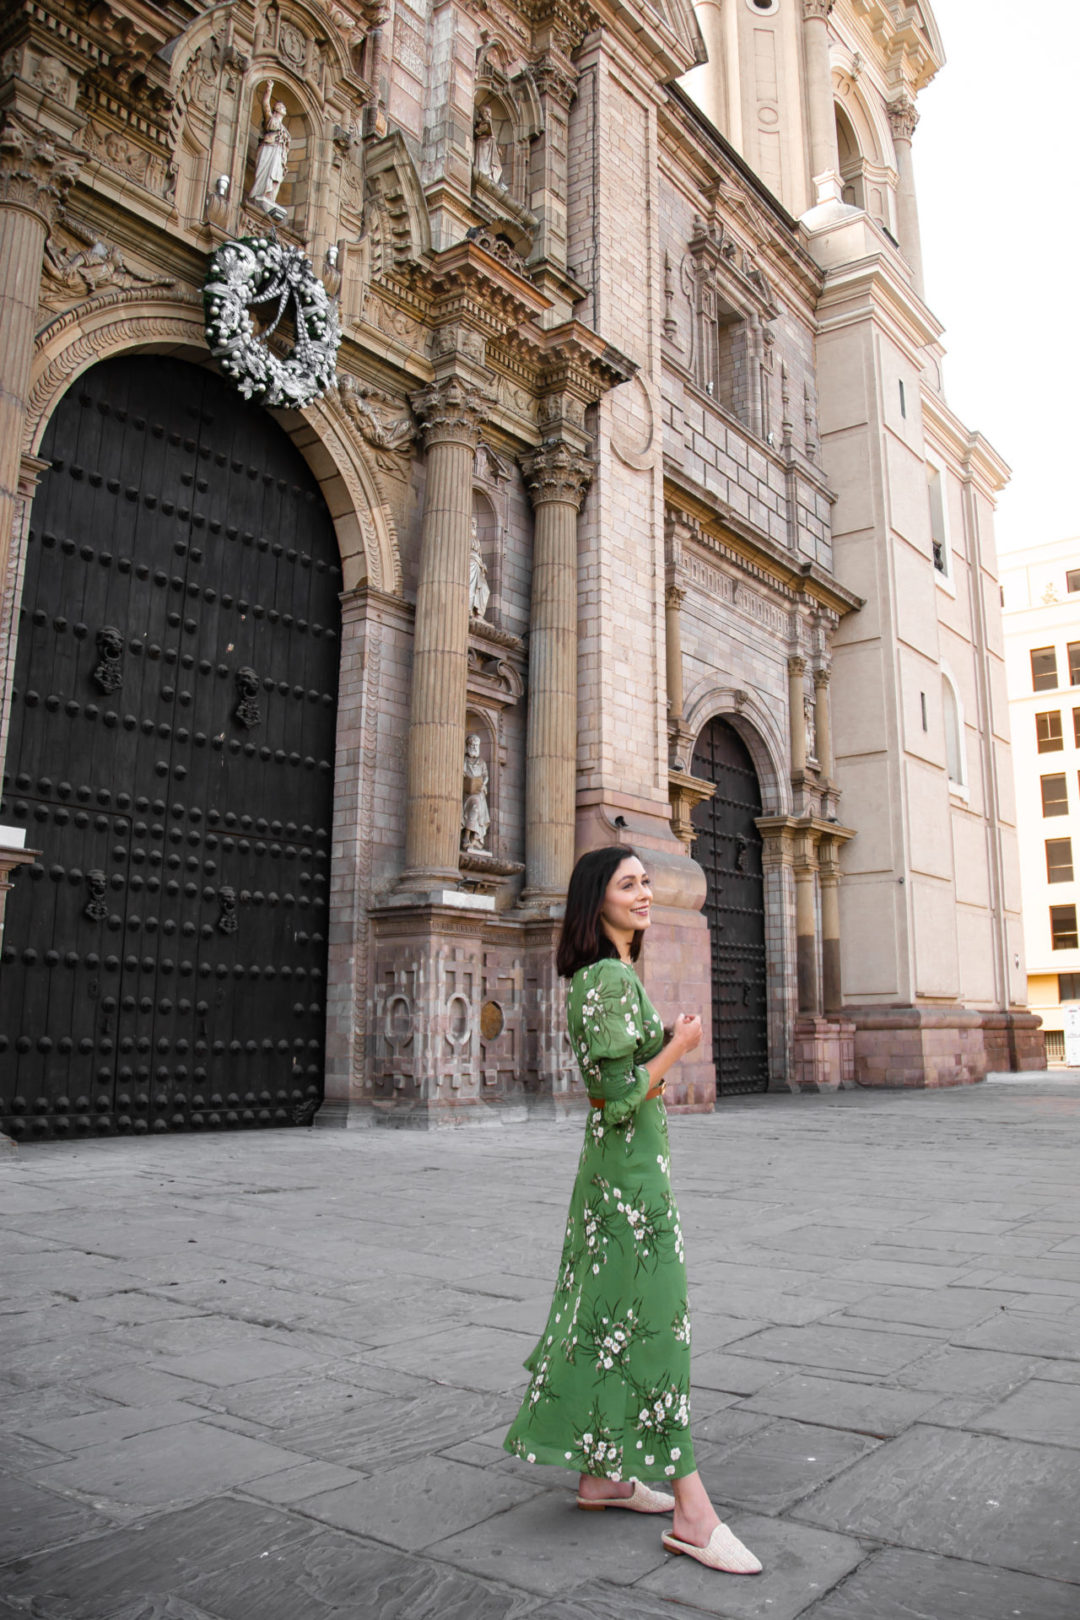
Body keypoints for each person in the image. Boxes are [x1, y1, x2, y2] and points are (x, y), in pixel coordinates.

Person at [503, 845, 762, 1576]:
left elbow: (615, 1087)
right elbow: (618, 1097)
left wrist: (656, 1057)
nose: (646, 893)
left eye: (647, 881)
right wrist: (679, 1045)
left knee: (605, 1320)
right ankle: (692, 1511)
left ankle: (603, 1476)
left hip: (613, 1174)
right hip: (629, 1186)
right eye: (629, 884)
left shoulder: (599, 977)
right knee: (654, 1328)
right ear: (598, 901)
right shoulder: (610, 979)